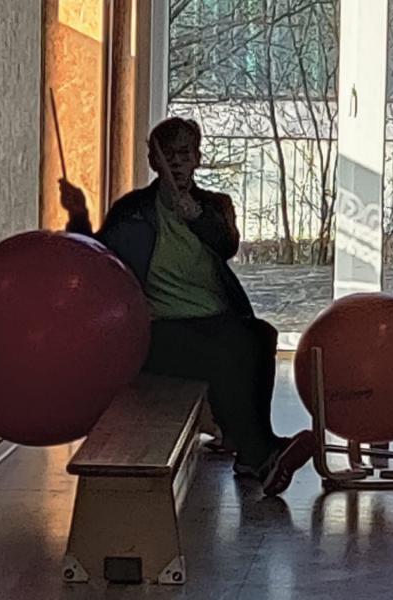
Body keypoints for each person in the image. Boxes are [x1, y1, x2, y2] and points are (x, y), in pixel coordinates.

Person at [61, 117, 314, 497]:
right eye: (168, 156)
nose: (176, 163)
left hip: (215, 318)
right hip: (160, 328)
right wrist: (78, 214)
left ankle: (253, 446)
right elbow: (98, 257)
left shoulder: (215, 205)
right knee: (226, 351)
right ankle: (259, 453)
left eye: (184, 154)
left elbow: (226, 244)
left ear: (197, 158)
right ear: (154, 162)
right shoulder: (133, 210)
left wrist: (194, 215)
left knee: (259, 336)